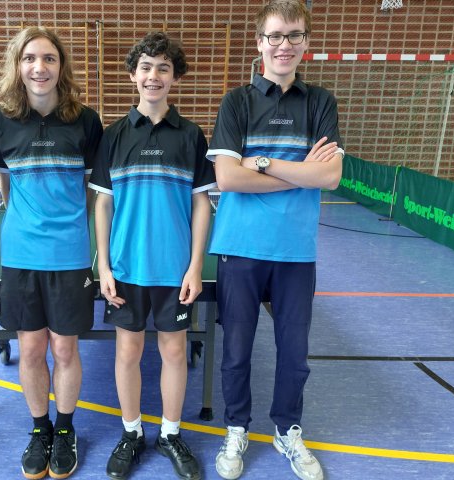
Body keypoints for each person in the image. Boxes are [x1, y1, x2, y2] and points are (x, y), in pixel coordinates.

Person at [206, 1, 344, 479]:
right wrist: (300, 173)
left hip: (295, 251)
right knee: (237, 351)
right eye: (276, 35)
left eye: (295, 35)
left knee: (294, 353)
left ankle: (287, 430)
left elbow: (330, 176)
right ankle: (236, 428)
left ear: (306, 42)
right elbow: (227, 178)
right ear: (260, 42)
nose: (285, 44)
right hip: (240, 247)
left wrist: (262, 163)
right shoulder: (237, 102)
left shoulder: (320, 102)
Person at [89, 32, 216, 480]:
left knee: (175, 352)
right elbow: (103, 203)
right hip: (126, 267)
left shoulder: (191, 135)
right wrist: (104, 265)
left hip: (174, 269)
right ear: (133, 74)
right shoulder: (114, 135)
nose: (154, 76)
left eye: (163, 68)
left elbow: (202, 203)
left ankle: (170, 433)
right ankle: (131, 432)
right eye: (146, 67)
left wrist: (195, 265)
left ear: (174, 77)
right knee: (128, 351)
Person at [0, 27, 103, 479]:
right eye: (30, 58)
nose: (40, 67)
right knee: (31, 348)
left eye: (49, 58)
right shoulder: (2, 121)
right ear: (18, 66)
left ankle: (66, 429)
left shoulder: (86, 121)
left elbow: (91, 190)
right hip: (20, 255)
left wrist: (70, 227)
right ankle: (40, 429)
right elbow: (5, 186)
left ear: (61, 67)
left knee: (65, 348)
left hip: (69, 255)